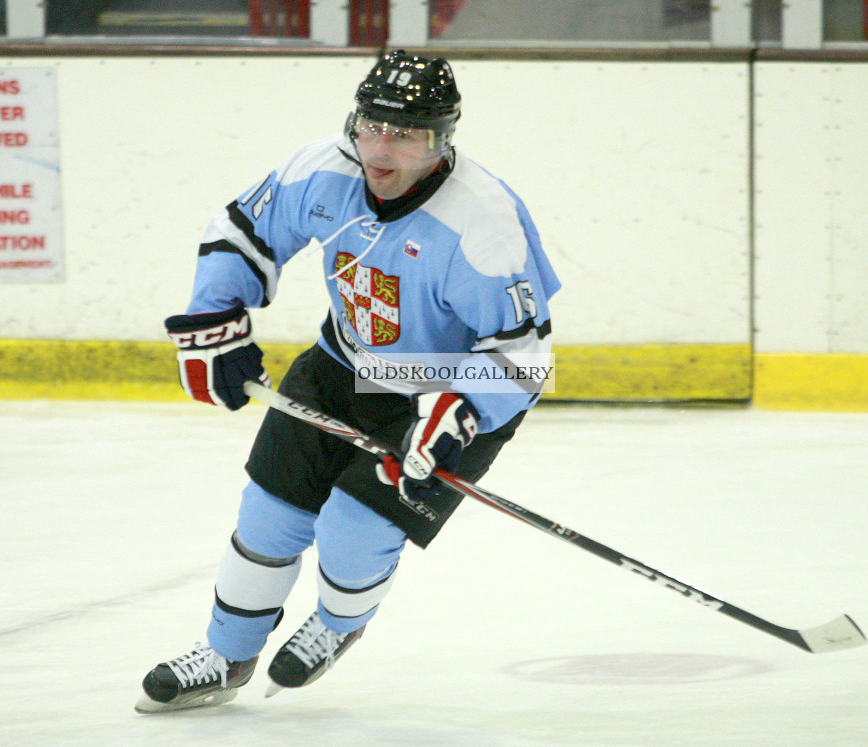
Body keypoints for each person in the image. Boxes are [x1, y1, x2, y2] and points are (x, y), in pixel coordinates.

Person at [136, 50, 561, 713]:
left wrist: (460, 415)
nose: (381, 149)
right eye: (371, 126)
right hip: (341, 366)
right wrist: (217, 319)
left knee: (352, 529)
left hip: (438, 396)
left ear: (442, 141)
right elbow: (243, 232)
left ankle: (338, 624)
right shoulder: (324, 169)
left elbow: (525, 354)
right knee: (268, 516)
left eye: (407, 134)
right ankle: (226, 650)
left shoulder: (483, 222)